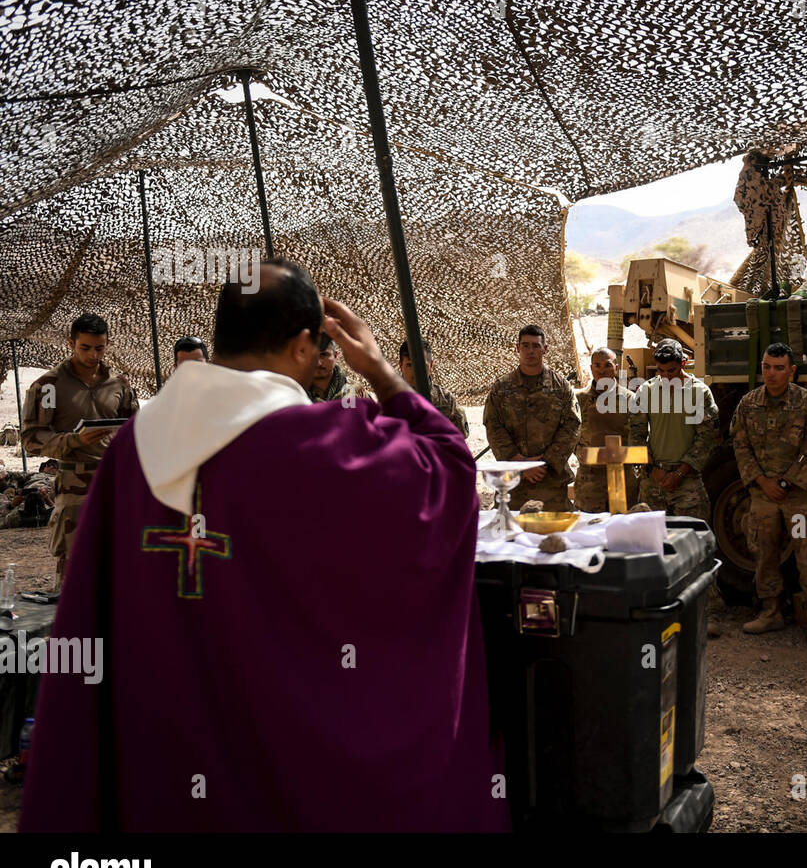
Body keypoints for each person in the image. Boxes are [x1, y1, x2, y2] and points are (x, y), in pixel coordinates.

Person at [20, 259, 507, 831]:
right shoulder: (330, 444)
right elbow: (449, 473)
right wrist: (381, 371)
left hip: (167, 769)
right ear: (305, 346)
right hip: (290, 767)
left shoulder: (131, 450)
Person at [19, 313, 138, 588]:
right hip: (74, 484)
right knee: (75, 564)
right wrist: (74, 441)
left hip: (115, 481)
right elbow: (32, 437)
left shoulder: (119, 384)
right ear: (71, 342)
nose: (93, 355)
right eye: (85, 348)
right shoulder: (49, 385)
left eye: (100, 348)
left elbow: (135, 429)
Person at [730, 343, 807, 642]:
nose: (771, 374)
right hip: (763, 499)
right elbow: (741, 446)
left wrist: (785, 483)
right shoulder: (748, 404)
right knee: (763, 553)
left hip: (797, 499)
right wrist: (762, 481)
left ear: (791, 371)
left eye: (778, 368)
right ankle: (770, 611)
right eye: (767, 367)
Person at [483, 324, 581, 510]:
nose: (530, 351)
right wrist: (519, 462)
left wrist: (546, 462)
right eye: (525, 345)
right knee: (509, 535)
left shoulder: (561, 387)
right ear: (517, 348)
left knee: (554, 534)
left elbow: (572, 426)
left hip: (550, 481)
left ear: (545, 349)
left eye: (536, 346)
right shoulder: (502, 388)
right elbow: (493, 426)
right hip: (512, 482)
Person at [631, 339, 719, 520]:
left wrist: (680, 473)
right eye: (661, 371)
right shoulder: (647, 391)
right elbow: (636, 434)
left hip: (687, 481)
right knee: (651, 541)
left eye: (671, 370)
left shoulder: (699, 392)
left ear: (683, 363)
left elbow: (707, 437)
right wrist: (653, 469)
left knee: (693, 540)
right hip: (653, 480)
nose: (666, 376)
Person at [574, 347, 645, 512]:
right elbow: (569, 434)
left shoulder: (630, 399)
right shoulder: (579, 399)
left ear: (616, 367)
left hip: (623, 476)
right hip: (590, 479)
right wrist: (582, 453)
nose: (602, 370)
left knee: (624, 528)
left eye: (607, 365)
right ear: (591, 368)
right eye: (597, 365)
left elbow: (639, 434)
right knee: (590, 529)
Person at [399, 337, 468, 437]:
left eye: (422, 365)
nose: (416, 371)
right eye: (409, 365)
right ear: (400, 365)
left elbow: (459, 438)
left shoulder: (445, 400)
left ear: (431, 365)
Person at [307, 333, 371, 403]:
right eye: (313, 356)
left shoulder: (355, 389)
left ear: (335, 356)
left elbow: (373, 413)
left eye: (324, 355)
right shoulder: (297, 391)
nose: (318, 363)